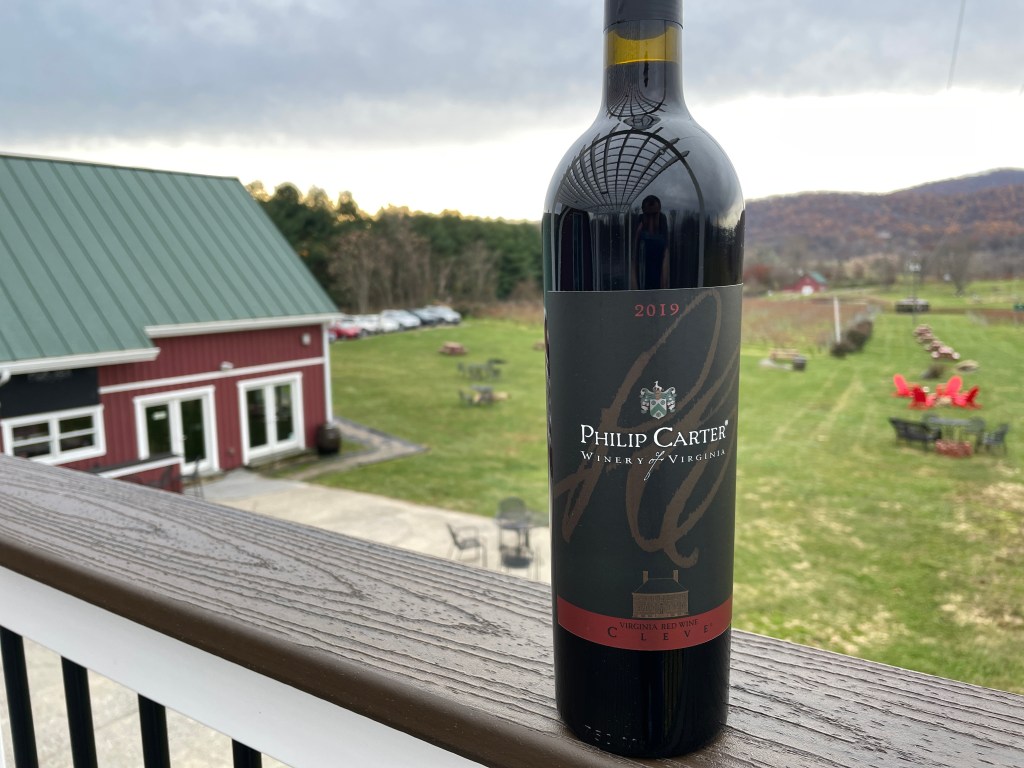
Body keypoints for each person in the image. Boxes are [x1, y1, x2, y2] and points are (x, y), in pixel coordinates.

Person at [634, 194, 669, 289]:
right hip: (643, 270)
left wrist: (664, 287)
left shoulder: (663, 220)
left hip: (657, 267)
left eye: (655, 215)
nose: (651, 220)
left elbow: (666, 252)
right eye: (648, 215)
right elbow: (634, 257)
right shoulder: (639, 223)